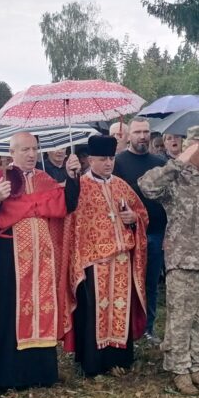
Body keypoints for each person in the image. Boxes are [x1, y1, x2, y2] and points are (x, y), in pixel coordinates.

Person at [0, 132, 81, 391]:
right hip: (9, 259)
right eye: (25, 150)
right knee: (9, 313)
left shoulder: (45, 179)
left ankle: (41, 373)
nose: (31, 154)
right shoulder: (0, 179)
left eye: (34, 149)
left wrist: (72, 177)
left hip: (42, 259)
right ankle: (9, 376)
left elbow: (67, 205)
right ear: (12, 153)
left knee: (42, 311)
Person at [139, 125, 199, 397]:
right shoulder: (176, 178)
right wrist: (176, 163)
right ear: (191, 148)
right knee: (181, 317)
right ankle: (179, 369)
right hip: (184, 260)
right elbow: (146, 185)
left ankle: (197, 365)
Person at [62, 135, 148, 377]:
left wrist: (134, 220)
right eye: (102, 159)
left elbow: (141, 213)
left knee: (120, 307)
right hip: (93, 261)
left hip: (121, 259)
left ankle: (118, 357)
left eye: (111, 158)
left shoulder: (122, 185)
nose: (108, 163)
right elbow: (72, 220)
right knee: (93, 311)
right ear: (91, 160)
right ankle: (93, 362)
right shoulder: (81, 186)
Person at [114, 118, 168, 343]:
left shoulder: (160, 162)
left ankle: (148, 327)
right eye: (137, 132)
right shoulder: (118, 162)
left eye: (146, 132)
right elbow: (115, 196)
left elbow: (168, 197)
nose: (143, 136)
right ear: (128, 135)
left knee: (150, 282)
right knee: (127, 281)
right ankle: (126, 326)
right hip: (128, 232)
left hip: (155, 232)